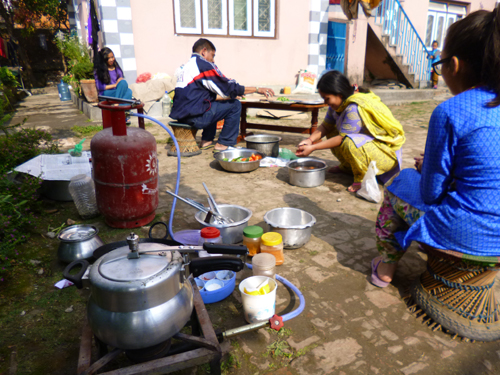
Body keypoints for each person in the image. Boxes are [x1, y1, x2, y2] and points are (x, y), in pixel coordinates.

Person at [371, 8, 500, 288]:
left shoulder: (451, 111)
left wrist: (425, 167)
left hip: (469, 233)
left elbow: (430, 194)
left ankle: (386, 267)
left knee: (401, 181)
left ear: (453, 65)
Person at [295, 70, 405, 192]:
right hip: (367, 147)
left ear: (339, 94)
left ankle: (361, 178)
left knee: (349, 142)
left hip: (385, 154)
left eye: (327, 98)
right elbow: (326, 126)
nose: (325, 103)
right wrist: (309, 141)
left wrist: (313, 148)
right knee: (332, 132)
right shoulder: (337, 106)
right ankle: (348, 167)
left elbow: (341, 138)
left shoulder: (353, 108)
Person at [170, 38, 275, 152]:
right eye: (212, 55)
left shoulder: (186, 67)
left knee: (214, 104)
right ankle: (224, 143)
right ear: (204, 51)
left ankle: (207, 140)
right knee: (235, 105)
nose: (213, 60)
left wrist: (229, 94)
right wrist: (257, 89)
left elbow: (205, 96)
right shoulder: (203, 65)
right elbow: (227, 88)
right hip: (195, 117)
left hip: (182, 115)